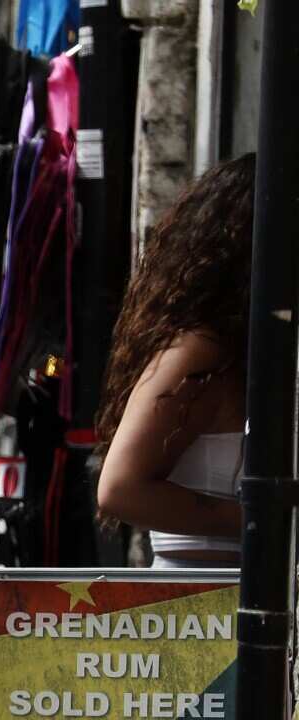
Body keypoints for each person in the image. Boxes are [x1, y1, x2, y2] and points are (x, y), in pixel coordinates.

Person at [96, 153, 256, 570]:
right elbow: (119, 488)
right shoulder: (199, 351)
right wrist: (262, 519)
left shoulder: (253, 347)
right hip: (198, 614)